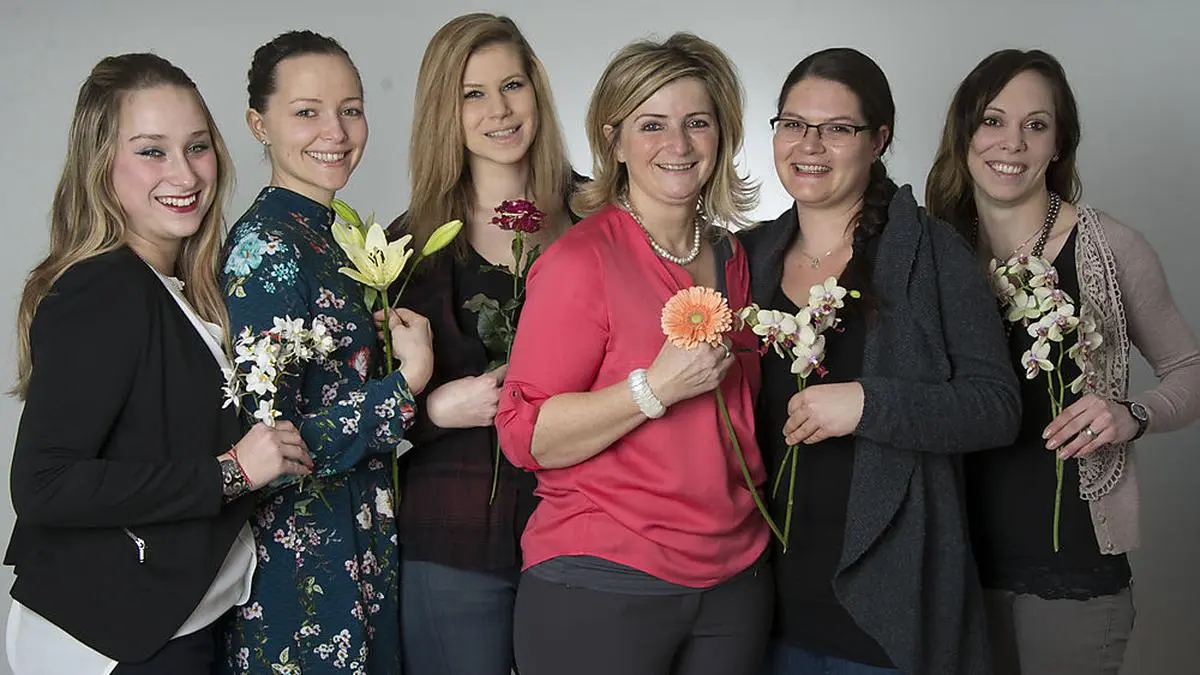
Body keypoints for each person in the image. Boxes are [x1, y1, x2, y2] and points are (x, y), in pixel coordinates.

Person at [4, 52, 312, 675]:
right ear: (103, 165)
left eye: (197, 146)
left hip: (172, 628)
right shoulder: (104, 288)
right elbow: (42, 485)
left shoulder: (181, 291)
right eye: (152, 150)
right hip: (110, 637)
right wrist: (230, 472)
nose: (184, 172)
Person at [494, 32, 772, 675]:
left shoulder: (733, 258)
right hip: (603, 575)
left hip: (735, 579)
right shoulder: (580, 262)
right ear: (614, 140)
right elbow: (523, 435)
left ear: (722, 135)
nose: (677, 146)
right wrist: (654, 389)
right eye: (652, 125)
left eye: (696, 123)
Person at [740, 47, 1022, 675]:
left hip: (879, 611)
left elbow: (996, 408)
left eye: (838, 128)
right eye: (793, 123)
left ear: (879, 140)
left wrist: (868, 403)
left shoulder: (931, 252)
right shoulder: (744, 255)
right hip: (751, 605)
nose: (810, 144)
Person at [926, 48, 1200, 675]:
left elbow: (1190, 368)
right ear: (964, 133)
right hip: (951, 567)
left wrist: (1133, 412)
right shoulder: (928, 249)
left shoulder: (1110, 247)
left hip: (1073, 570)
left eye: (1036, 124)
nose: (1012, 143)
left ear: (1059, 142)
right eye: (992, 120)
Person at [215, 30, 433, 674]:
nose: (334, 131)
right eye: (306, 112)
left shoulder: (331, 236)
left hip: (357, 536)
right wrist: (409, 382)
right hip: (304, 560)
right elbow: (270, 448)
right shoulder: (268, 247)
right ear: (259, 124)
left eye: (351, 108)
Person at [385, 13, 581, 675]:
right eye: (473, 93)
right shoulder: (409, 245)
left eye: (513, 85)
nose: (499, 109)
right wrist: (435, 410)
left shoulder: (598, 216)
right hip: (454, 544)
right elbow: (348, 411)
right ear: (446, 110)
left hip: (586, 540)